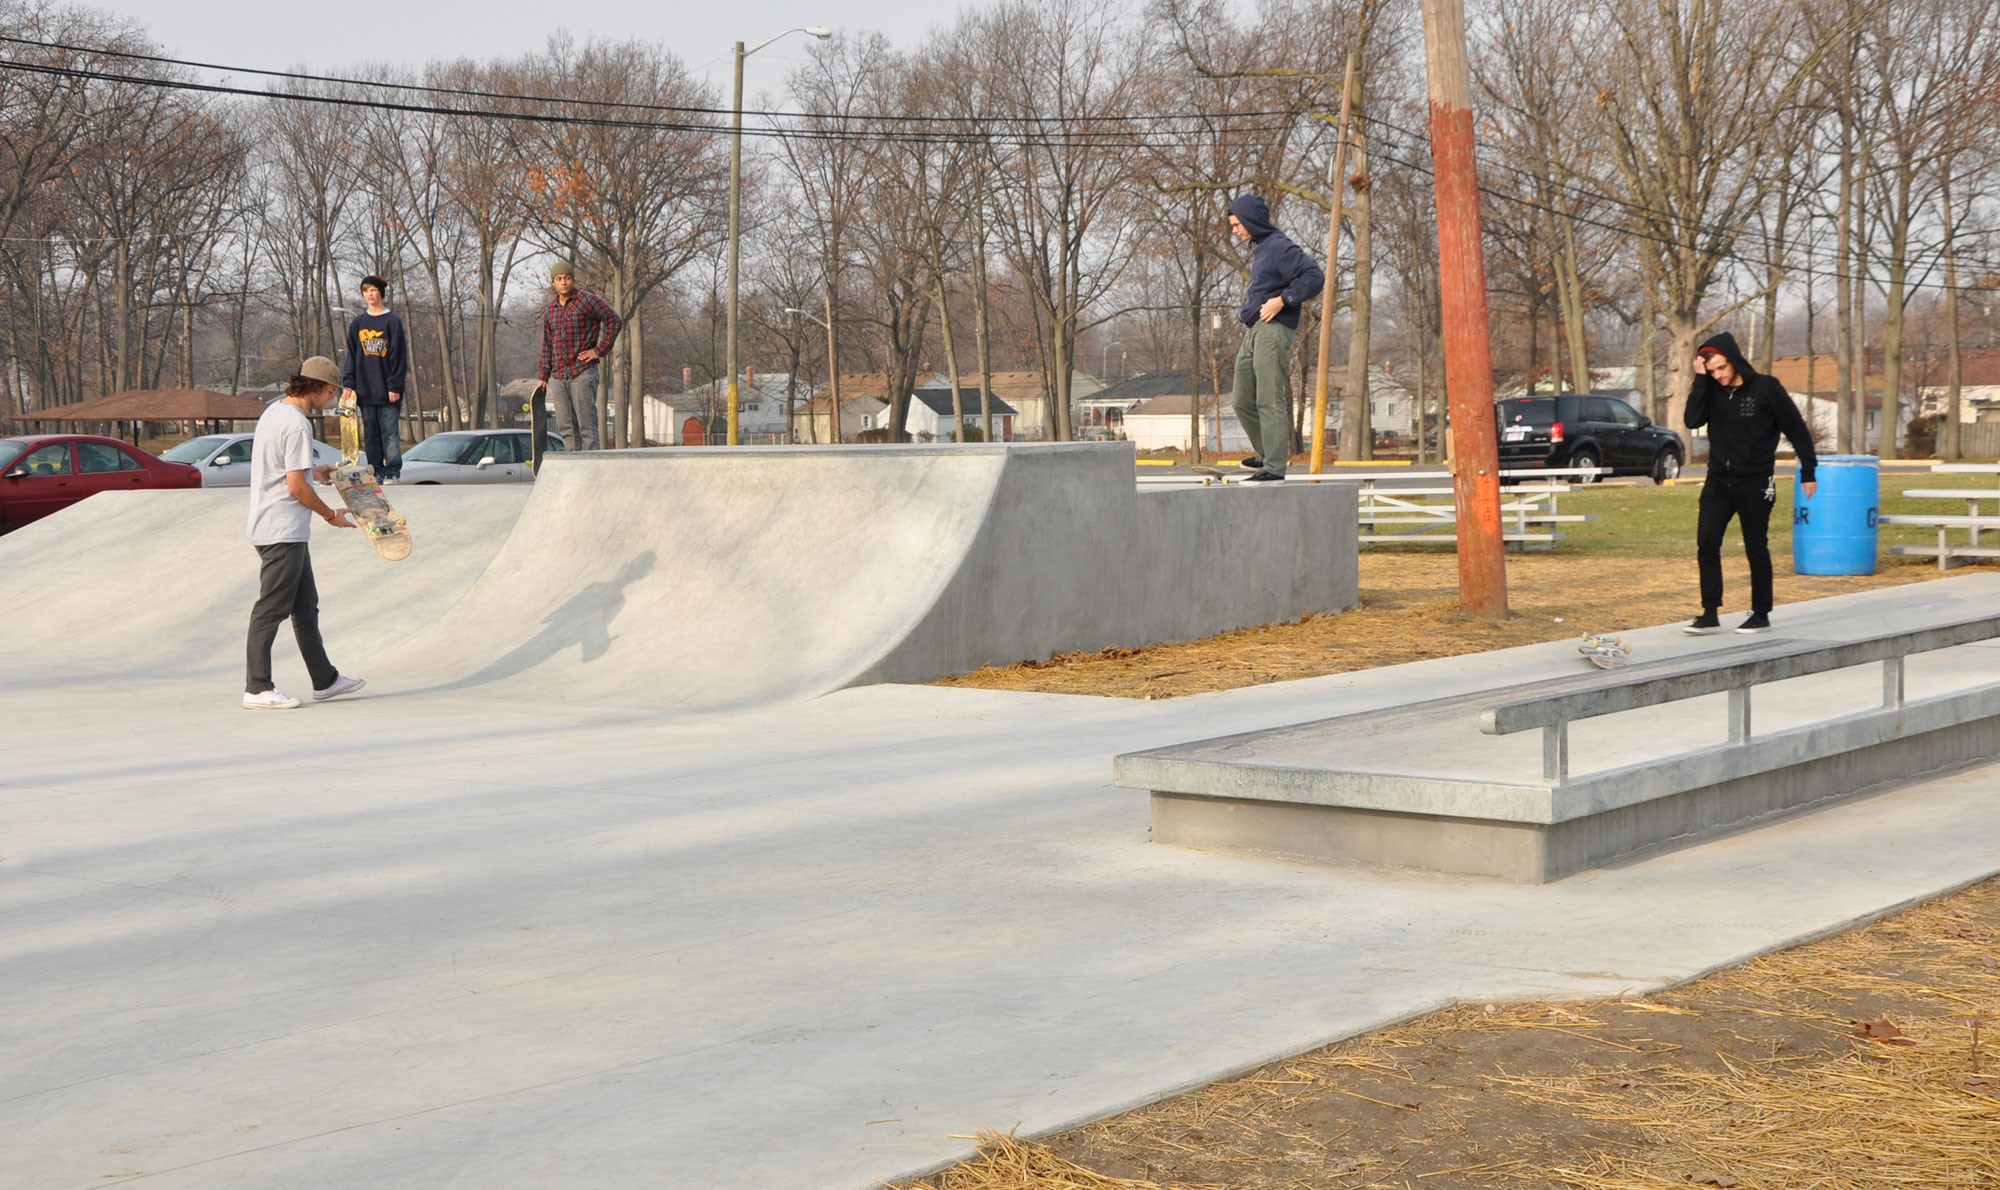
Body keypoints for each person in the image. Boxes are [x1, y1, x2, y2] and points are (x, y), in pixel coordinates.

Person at [243, 356, 366, 709]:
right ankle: (257, 687)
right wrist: (330, 514)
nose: (330, 399)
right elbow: (295, 485)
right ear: (314, 387)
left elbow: (288, 470)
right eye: (329, 391)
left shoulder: (274, 412)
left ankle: (325, 680)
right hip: (282, 530)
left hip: (277, 527)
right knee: (271, 609)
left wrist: (318, 471)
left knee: (305, 607)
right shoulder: (298, 424)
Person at [1683, 332, 1819, 635]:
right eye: (1712, 370)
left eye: (1721, 368)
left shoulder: (1766, 389)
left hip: (1755, 482)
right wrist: (1700, 379)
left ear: (1734, 360)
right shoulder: (1712, 389)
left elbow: (1796, 429)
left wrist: (1808, 470)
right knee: (1707, 543)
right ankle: (1709, 613)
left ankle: (1760, 614)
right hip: (1718, 481)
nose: (1718, 375)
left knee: (1756, 547)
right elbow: (1692, 420)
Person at [1226, 195, 1325, 483]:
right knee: (1241, 398)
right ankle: (1265, 451)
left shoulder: (1280, 246)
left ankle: (1274, 466)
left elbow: (1313, 276)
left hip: (1273, 327)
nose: (1234, 231)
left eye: (1236, 225)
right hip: (1254, 326)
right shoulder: (1261, 248)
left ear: (1251, 221)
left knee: (1268, 397)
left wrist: (1283, 299)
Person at [537, 260, 620, 451]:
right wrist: (543, 376)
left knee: (587, 427)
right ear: (553, 283)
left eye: (567, 278)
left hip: (582, 372)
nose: (563, 282)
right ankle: (574, 468)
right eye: (559, 279)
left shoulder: (587, 300)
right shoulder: (551, 310)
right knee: (566, 428)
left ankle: (591, 470)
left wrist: (599, 350)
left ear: (573, 280)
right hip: (558, 376)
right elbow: (547, 343)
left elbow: (613, 320)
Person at [339, 274, 409, 482]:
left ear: (381, 293)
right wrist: (349, 384)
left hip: (388, 391)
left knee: (390, 434)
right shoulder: (358, 323)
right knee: (371, 435)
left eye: (373, 290)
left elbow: (399, 356)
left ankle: (392, 471)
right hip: (365, 390)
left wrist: (394, 385)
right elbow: (351, 355)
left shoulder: (392, 322)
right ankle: (376, 471)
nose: (369, 294)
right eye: (366, 290)